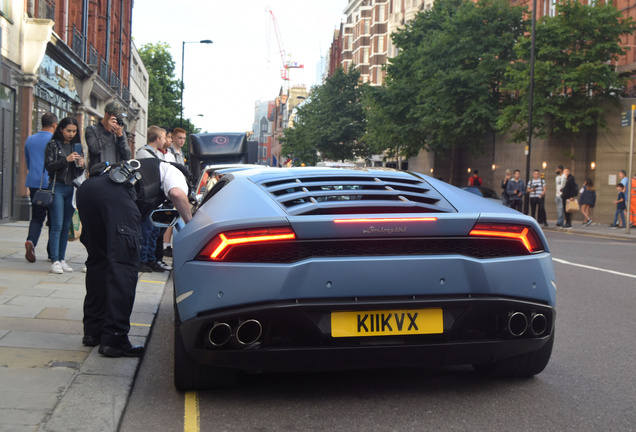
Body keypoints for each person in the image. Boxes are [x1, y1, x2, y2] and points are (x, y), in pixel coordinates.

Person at [76, 157, 193, 357]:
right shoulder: (175, 172)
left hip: (87, 190)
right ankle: (114, 339)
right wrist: (192, 224)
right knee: (124, 265)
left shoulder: (143, 165)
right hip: (117, 195)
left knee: (98, 263)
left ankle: (93, 332)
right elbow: (177, 194)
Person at [44, 117, 85, 274]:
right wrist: (66, 160)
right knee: (56, 224)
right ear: (60, 129)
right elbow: (49, 166)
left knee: (66, 226)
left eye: (74, 131)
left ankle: (61, 258)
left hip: (71, 188)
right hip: (57, 187)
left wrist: (82, 164)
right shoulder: (53, 145)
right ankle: (54, 260)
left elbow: (78, 172)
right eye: (69, 130)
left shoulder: (77, 146)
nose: (71, 134)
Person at [135, 126, 170, 272]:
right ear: (157, 139)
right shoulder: (144, 153)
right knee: (147, 230)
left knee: (155, 231)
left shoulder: (157, 154)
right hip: (148, 199)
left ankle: (151, 258)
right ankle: (142, 260)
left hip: (157, 198)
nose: (164, 140)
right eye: (163, 138)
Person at [24, 113, 57, 263]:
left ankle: (31, 241)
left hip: (34, 183)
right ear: (55, 125)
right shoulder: (55, 141)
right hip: (51, 184)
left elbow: (28, 161)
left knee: (37, 217)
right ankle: (52, 252)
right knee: (53, 219)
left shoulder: (30, 139)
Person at [85, 102, 131, 170]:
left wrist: (120, 137)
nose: (118, 121)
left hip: (116, 174)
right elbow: (94, 149)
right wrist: (107, 132)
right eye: (116, 118)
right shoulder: (92, 130)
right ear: (107, 115)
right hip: (98, 174)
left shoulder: (120, 133)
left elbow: (127, 156)